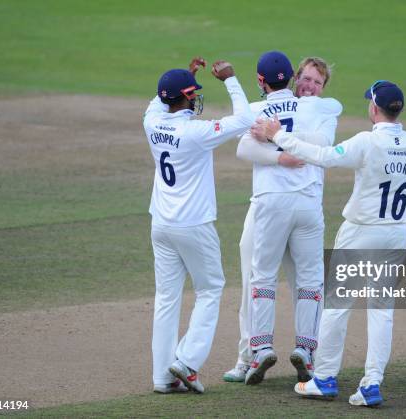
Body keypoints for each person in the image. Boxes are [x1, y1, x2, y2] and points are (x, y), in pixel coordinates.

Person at [251, 80, 406, 406]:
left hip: (360, 232)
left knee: (337, 307)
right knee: (382, 312)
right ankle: (371, 384)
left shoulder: (366, 142)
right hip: (396, 233)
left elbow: (322, 156)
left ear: (374, 108)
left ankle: (323, 379)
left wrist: (278, 136)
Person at [223, 57, 338, 383]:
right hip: (278, 206)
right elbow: (244, 149)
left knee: (285, 278)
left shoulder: (320, 110)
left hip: (288, 205)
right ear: (293, 78)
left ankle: (278, 350)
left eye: (317, 82)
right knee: (265, 276)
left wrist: (277, 134)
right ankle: (253, 355)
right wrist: (282, 152)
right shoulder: (279, 109)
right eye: (306, 79)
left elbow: (323, 142)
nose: (310, 86)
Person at [143, 57, 254, 394]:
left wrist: (182, 79)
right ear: (187, 97)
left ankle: (162, 377)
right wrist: (231, 80)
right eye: (192, 94)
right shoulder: (197, 133)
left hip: (161, 224)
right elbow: (245, 119)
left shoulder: (151, 122)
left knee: (167, 298)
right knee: (210, 289)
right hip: (193, 225)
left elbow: (157, 101)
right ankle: (187, 360)